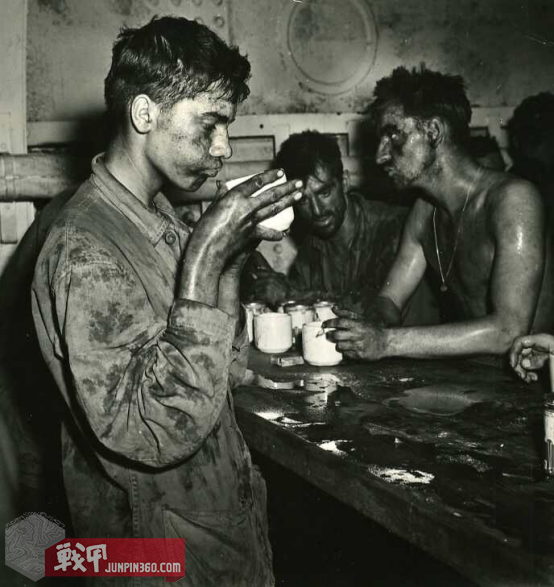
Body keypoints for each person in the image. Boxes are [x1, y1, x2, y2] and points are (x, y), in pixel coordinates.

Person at [31, 16, 303, 587]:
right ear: (144, 114)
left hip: (206, 538)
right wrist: (205, 252)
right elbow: (154, 429)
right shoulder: (86, 249)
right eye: (210, 123)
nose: (224, 146)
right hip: (154, 557)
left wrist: (229, 258)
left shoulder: (157, 218)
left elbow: (223, 370)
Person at [325, 65, 553, 360]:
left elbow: (508, 330)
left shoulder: (513, 200)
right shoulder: (424, 213)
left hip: (536, 382)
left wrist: (386, 342)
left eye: (393, 135)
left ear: (433, 131)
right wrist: (367, 327)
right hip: (476, 377)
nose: (380, 155)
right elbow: (390, 299)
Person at [242, 131, 410, 316]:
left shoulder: (394, 228)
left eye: (324, 193)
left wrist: (292, 295)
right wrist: (270, 285)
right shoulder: (309, 253)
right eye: (303, 201)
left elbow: (380, 311)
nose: (317, 210)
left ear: (344, 182)